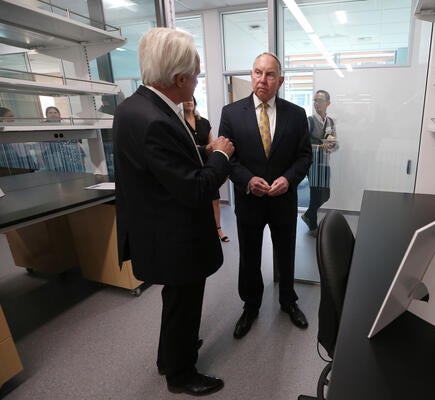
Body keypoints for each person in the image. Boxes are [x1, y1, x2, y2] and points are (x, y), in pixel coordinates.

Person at [113, 27, 234, 396]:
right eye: (195, 74)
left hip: (158, 230)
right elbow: (196, 187)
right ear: (179, 78)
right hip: (174, 237)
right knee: (183, 303)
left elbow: (164, 165)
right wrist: (220, 156)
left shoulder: (135, 107)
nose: (197, 80)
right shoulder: (154, 122)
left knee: (177, 303)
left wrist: (199, 151)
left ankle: (172, 355)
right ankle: (180, 375)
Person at [219, 52, 312, 339]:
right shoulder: (231, 113)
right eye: (258, 72)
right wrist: (247, 180)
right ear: (251, 75)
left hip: (284, 200)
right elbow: (227, 158)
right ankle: (251, 305)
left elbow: (304, 156)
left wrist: (289, 178)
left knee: (286, 253)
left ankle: (288, 301)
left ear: (280, 80)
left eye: (270, 74)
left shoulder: (296, 115)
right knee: (249, 257)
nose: (263, 79)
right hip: (250, 201)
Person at [182, 96, 229, 242]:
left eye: (191, 99)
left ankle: (219, 230)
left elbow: (212, 144)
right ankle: (200, 233)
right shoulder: (179, 122)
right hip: (189, 166)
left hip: (206, 165)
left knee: (214, 198)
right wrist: (202, 149)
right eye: (186, 99)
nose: (189, 101)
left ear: (195, 102)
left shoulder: (204, 122)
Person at [301, 90, 337, 235]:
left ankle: (308, 215)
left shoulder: (330, 122)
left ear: (328, 103)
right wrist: (318, 146)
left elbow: (333, 141)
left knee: (325, 195)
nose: (317, 103)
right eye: (315, 100)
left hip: (324, 163)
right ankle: (313, 227)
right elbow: (302, 143)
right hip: (313, 164)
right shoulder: (309, 121)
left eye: (320, 100)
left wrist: (331, 146)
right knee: (316, 194)